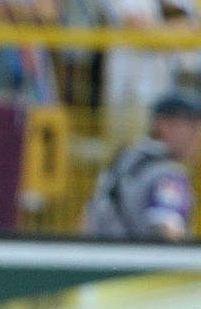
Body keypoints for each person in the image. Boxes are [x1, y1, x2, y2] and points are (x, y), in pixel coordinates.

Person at [83, 89, 201, 241]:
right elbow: (169, 232)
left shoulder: (124, 159)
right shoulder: (168, 174)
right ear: (165, 125)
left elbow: (87, 219)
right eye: (192, 127)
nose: (197, 137)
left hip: (103, 258)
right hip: (144, 262)